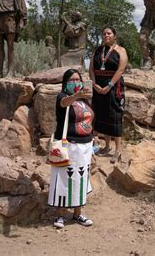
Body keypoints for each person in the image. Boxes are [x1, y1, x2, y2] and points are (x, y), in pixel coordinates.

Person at [48, 69, 94, 229]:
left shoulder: (85, 100)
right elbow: (65, 103)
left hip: (85, 146)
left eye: (78, 79)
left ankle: (77, 214)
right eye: (72, 80)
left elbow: (89, 119)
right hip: (69, 146)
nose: (75, 82)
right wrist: (76, 95)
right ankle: (60, 215)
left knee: (80, 179)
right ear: (65, 82)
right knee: (63, 179)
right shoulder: (62, 97)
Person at [89, 26, 128, 163]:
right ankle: (106, 146)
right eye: (104, 33)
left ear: (114, 36)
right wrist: (95, 84)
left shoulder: (120, 51)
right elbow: (91, 69)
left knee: (115, 115)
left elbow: (121, 69)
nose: (106, 35)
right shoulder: (98, 50)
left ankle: (117, 150)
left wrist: (109, 85)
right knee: (102, 114)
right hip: (98, 86)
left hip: (114, 86)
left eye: (109, 33)